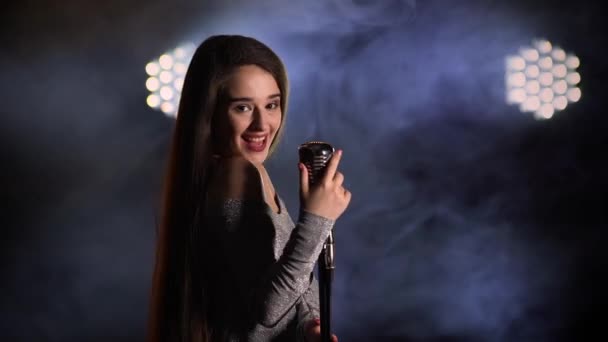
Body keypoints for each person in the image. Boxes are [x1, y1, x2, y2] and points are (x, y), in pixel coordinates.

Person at [147, 35, 351, 342]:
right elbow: (267, 311)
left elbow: (252, 305)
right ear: (210, 113)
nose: (262, 124)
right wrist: (316, 220)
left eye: (271, 105)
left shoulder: (251, 173)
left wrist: (305, 327)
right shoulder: (236, 172)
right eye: (242, 108)